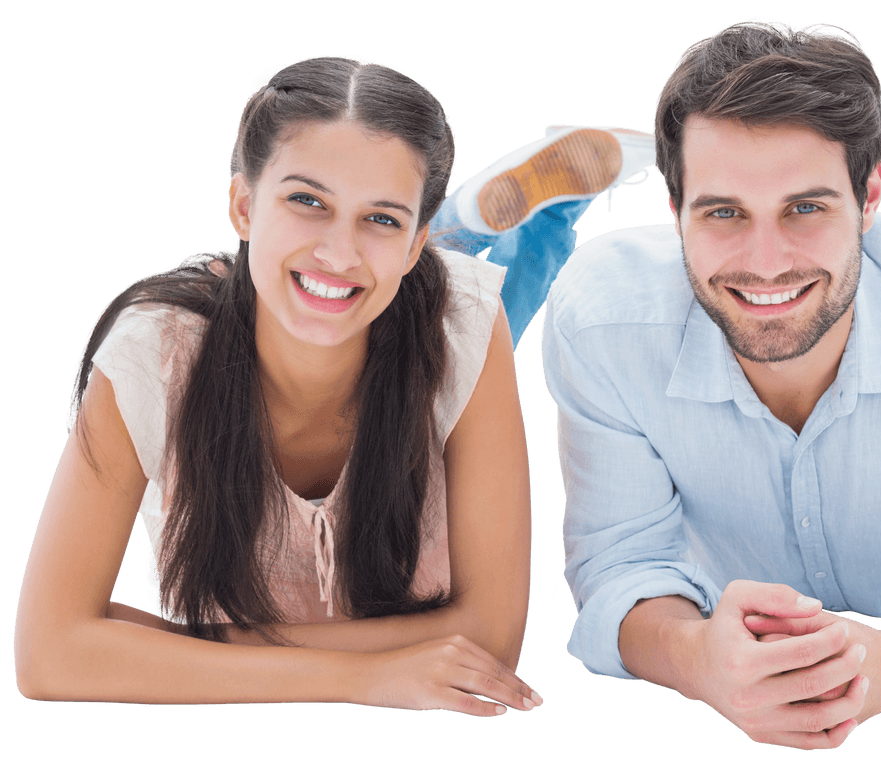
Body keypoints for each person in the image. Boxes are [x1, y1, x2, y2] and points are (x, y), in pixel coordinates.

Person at [12, 54, 651, 712]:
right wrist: (362, 678)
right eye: (306, 200)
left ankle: (519, 217)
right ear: (241, 204)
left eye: (382, 217)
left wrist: (173, 648)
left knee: (469, 309)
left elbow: (487, 642)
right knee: (416, 308)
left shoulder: (462, 322)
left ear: (411, 243)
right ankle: (468, 222)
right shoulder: (153, 356)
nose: (337, 250)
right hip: (382, 308)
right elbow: (47, 655)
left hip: (417, 311)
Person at [540, 19, 881, 749]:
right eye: (723, 212)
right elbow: (623, 567)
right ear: (672, 207)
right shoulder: (602, 320)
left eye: (805, 208)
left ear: (872, 192)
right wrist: (697, 660)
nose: (765, 261)